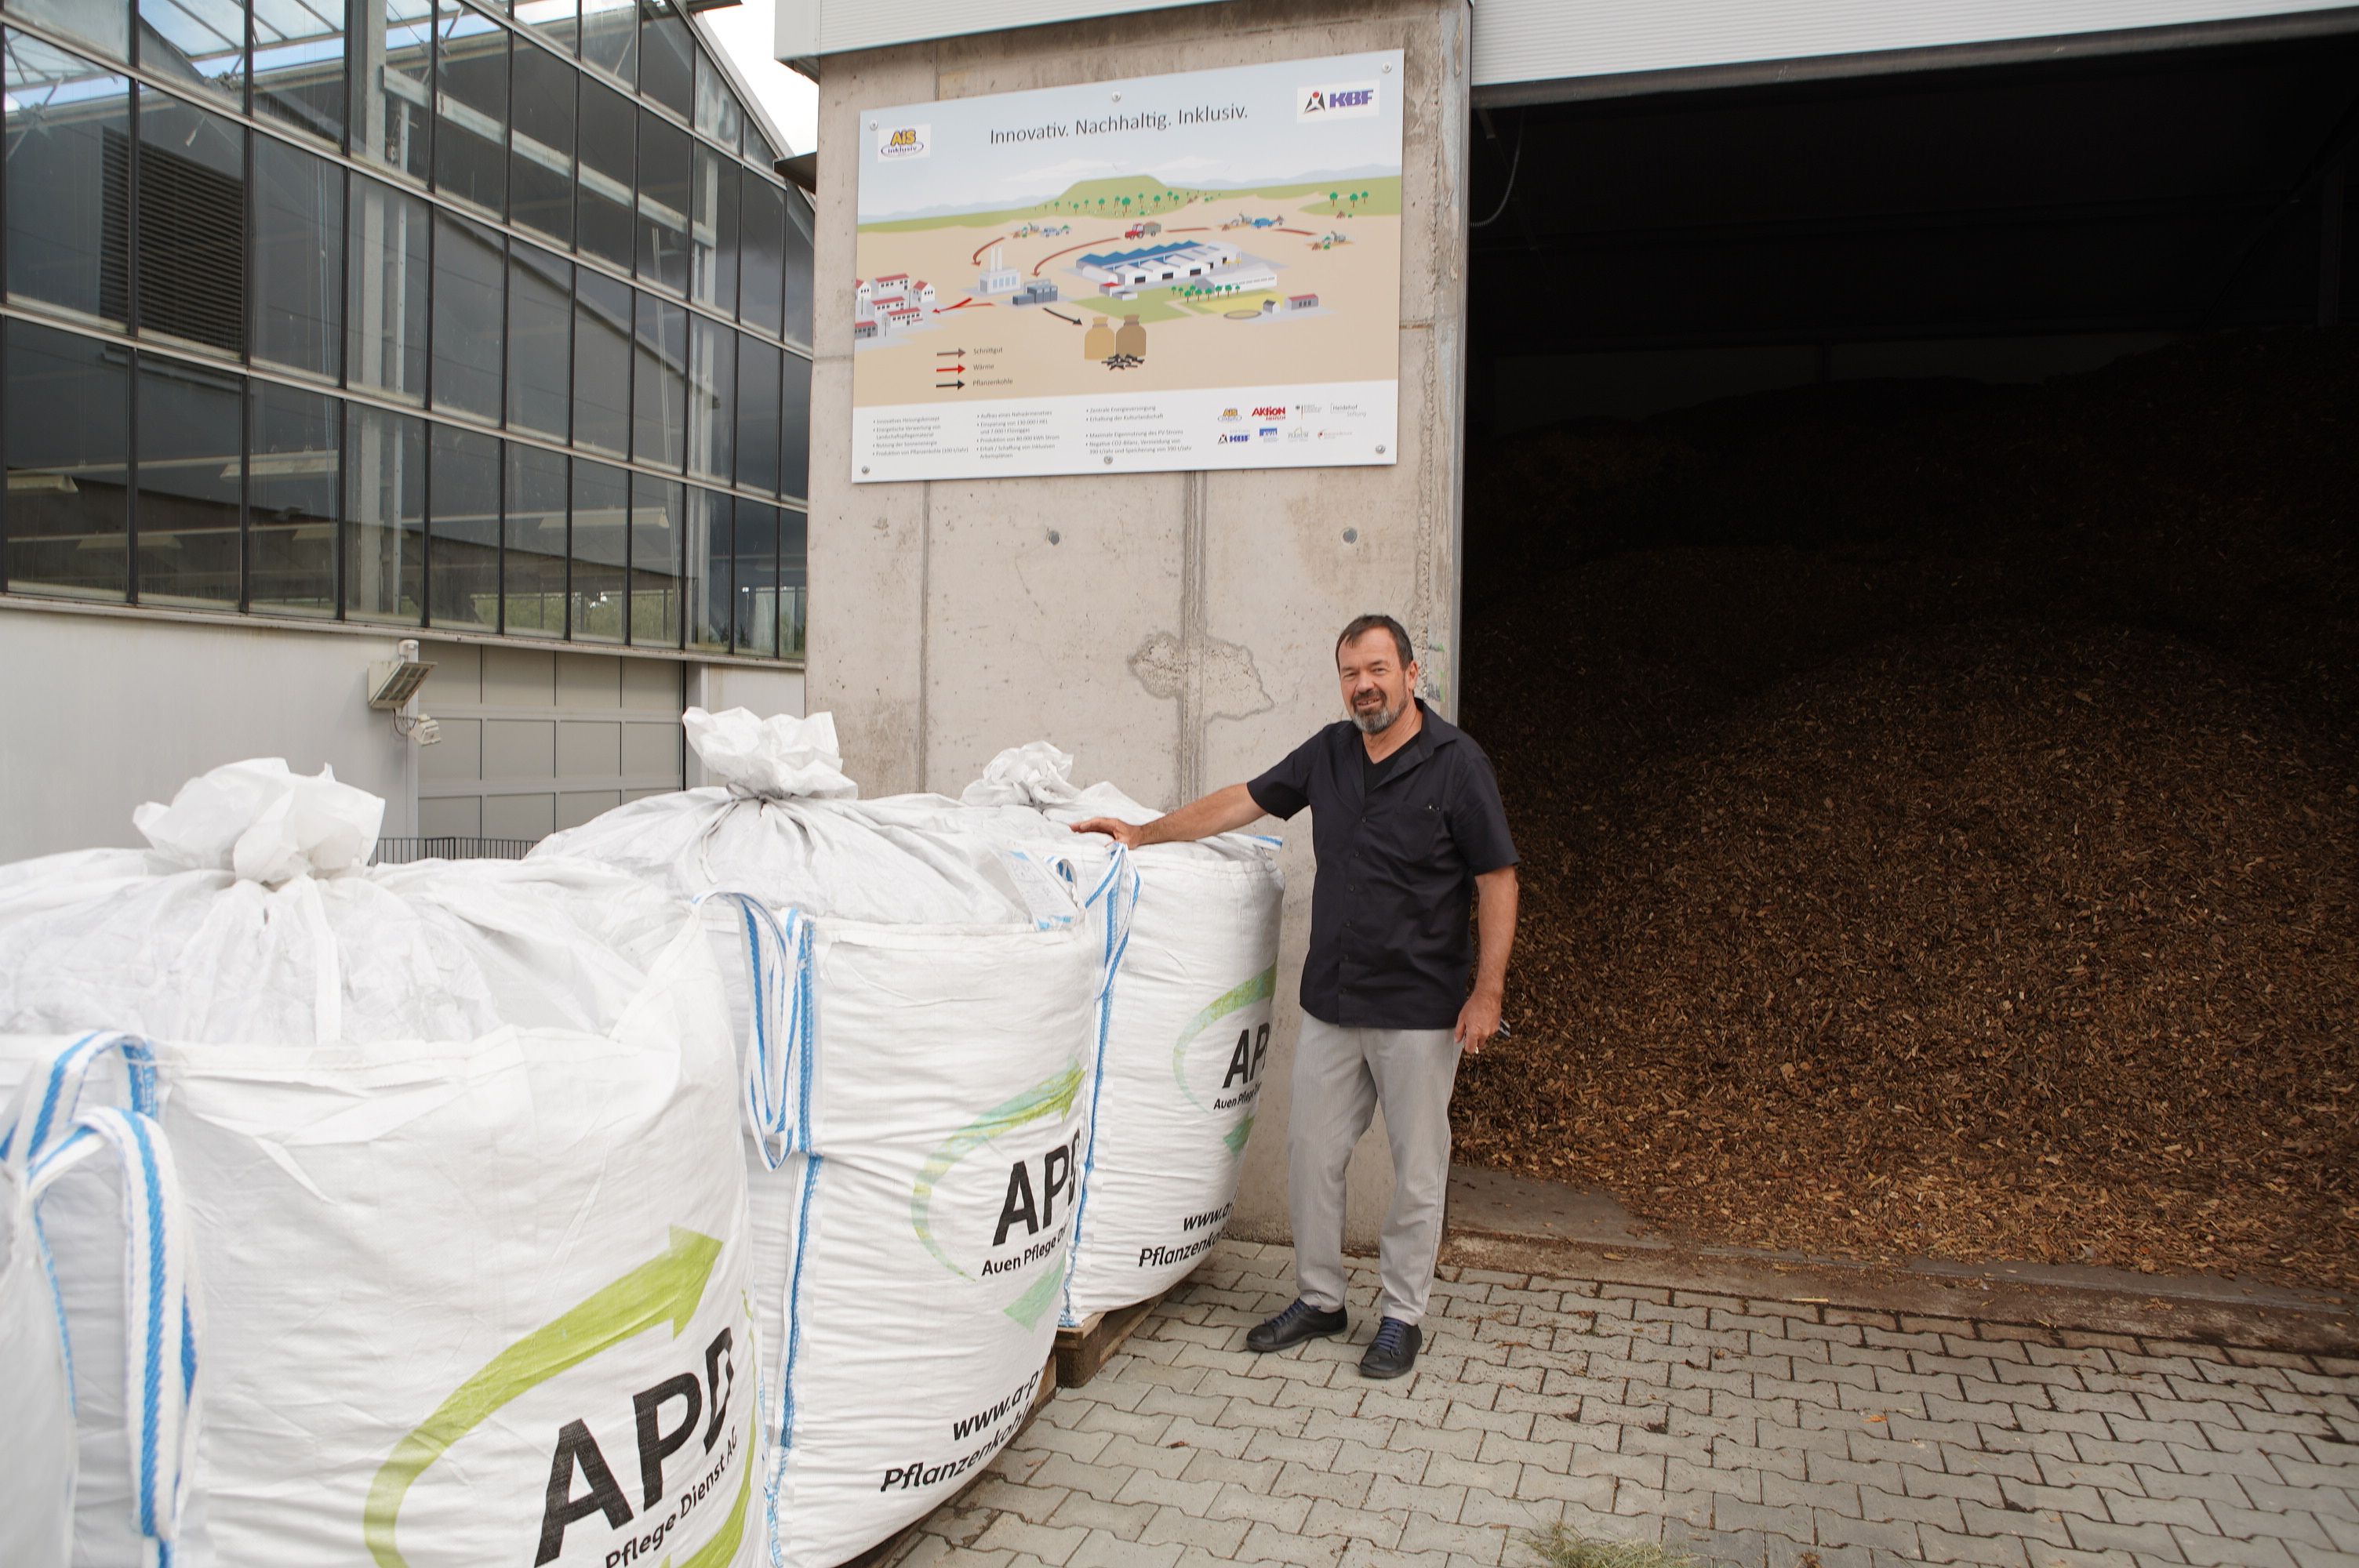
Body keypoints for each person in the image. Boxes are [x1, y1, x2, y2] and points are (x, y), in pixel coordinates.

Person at [1070, 613, 1519, 1380]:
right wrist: (1143, 834)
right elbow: (1242, 800)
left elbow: (1497, 878)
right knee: (1312, 1156)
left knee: (1416, 1168)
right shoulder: (1330, 752)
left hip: (1418, 1008)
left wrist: (1487, 991)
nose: (1363, 684)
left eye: (1377, 668)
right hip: (1333, 1001)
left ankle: (1401, 1314)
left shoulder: (1456, 763)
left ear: (1411, 675)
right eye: (1350, 672)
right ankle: (1319, 1298)